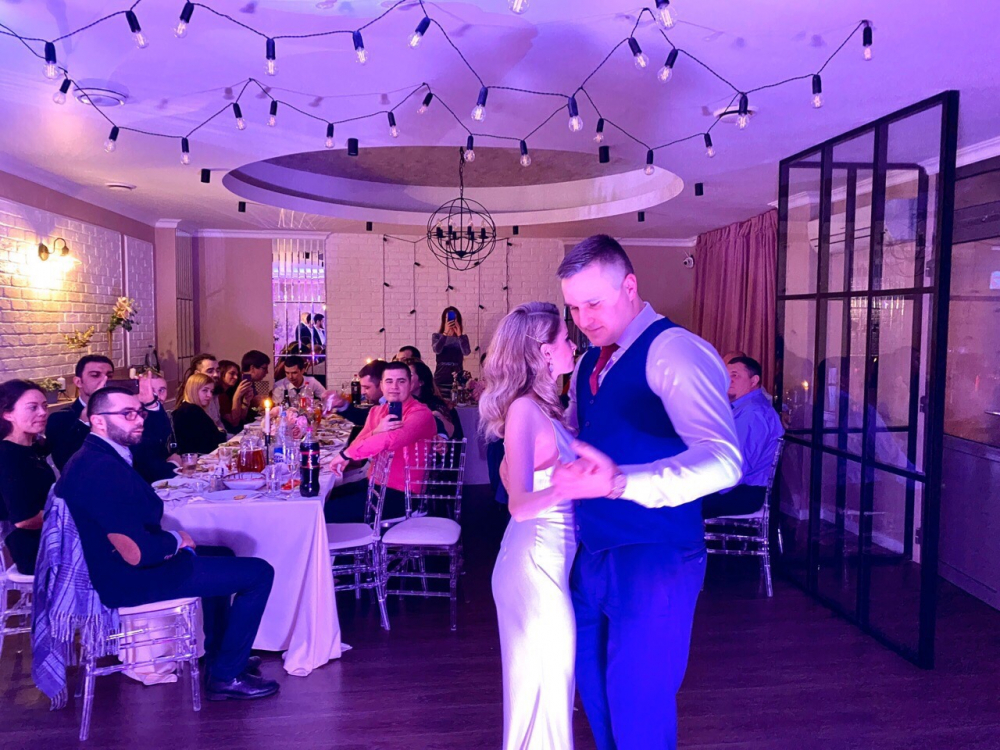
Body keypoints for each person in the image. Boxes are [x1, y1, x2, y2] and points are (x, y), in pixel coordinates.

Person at [549, 235, 742, 750]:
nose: (583, 319)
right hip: (593, 552)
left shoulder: (675, 350)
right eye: (574, 308)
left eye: (594, 303)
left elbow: (724, 460)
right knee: (596, 697)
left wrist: (622, 482)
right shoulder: (588, 363)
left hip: (656, 555)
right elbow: (584, 440)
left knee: (639, 707)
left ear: (629, 286)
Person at [57, 386, 278, 700]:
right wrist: (176, 540)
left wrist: (175, 542)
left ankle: (221, 657)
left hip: (125, 566)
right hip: (129, 578)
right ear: (98, 421)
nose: (139, 420)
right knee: (259, 573)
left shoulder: (101, 455)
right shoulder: (100, 468)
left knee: (224, 553)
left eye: (139, 412)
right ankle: (227, 677)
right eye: (127, 414)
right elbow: (135, 552)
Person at [480, 302, 579, 749]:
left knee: (551, 689)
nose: (573, 346)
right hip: (534, 566)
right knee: (544, 690)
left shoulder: (546, 408)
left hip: (548, 561)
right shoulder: (523, 410)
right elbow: (519, 504)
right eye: (566, 339)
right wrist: (572, 484)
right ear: (543, 351)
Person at [327, 362, 437, 523]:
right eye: (389, 381)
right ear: (382, 385)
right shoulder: (376, 411)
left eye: (401, 381)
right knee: (325, 498)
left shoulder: (421, 413)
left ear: (410, 384)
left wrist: (346, 455)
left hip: (404, 495)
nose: (394, 387)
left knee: (324, 513)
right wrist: (375, 431)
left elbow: (391, 440)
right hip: (374, 484)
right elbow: (359, 441)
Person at [702, 356, 785, 518]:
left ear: (754, 381)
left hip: (743, 492)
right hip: (735, 485)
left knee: (671, 503)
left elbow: (736, 465)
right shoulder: (741, 408)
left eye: (735, 375)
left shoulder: (753, 413)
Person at [0, 380, 55, 575]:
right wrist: (68, 516)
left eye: (44, 406)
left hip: (49, 538)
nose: (42, 413)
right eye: (33, 407)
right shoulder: (6, 456)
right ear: (7, 414)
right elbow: (24, 519)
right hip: (34, 550)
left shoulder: (33, 447)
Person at [46, 354, 114, 471]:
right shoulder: (59, 419)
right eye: (95, 375)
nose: (105, 381)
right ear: (78, 382)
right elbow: (65, 463)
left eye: (110, 376)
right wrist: (84, 422)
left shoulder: (122, 412)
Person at [132, 372, 179, 483]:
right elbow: (148, 466)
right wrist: (174, 464)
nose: (157, 396)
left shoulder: (161, 413)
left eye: (161, 390)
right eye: (151, 390)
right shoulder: (135, 422)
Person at [173, 373, 228, 456]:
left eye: (211, 391)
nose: (209, 395)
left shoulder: (186, 408)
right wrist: (222, 432)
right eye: (205, 390)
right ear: (193, 390)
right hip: (198, 459)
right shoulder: (192, 410)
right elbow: (215, 440)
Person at [324, 359, 388, 427]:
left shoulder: (391, 405)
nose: (362, 392)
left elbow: (365, 419)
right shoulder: (381, 402)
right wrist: (342, 404)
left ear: (382, 385)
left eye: (367, 388)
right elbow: (364, 417)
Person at [409, 359, 462, 440]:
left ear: (421, 382)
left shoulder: (437, 406)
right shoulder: (398, 403)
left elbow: (454, 437)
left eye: (409, 375)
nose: (404, 379)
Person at [181, 354, 227, 434]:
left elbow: (218, 423)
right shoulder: (190, 404)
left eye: (217, 371)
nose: (216, 374)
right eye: (210, 371)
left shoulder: (214, 394)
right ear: (197, 374)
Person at [432, 307, 471, 394]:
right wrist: (445, 334)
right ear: (444, 320)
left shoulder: (463, 338)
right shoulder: (437, 336)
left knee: (456, 399)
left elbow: (466, 352)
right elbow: (437, 350)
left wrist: (459, 335)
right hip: (441, 376)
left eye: (454, 318)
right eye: (448, 318)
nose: (451, 321)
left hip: (457, 376)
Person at [227, 350, 271, 427]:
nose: (267, 372)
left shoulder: (251, 382)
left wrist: (256, 404)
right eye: (264, 368)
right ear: (252, 368)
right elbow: (240, 418)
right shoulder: (238, 384)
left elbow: (253, 409)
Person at [217, 360, 243, 432]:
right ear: (221, 373)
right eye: (232, 373)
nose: (236, 377)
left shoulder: (229, 392)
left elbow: (242, 418)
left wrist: (247, 400)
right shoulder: (219, 395)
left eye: (237, 374)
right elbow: (234, 422)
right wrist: (237, 396)